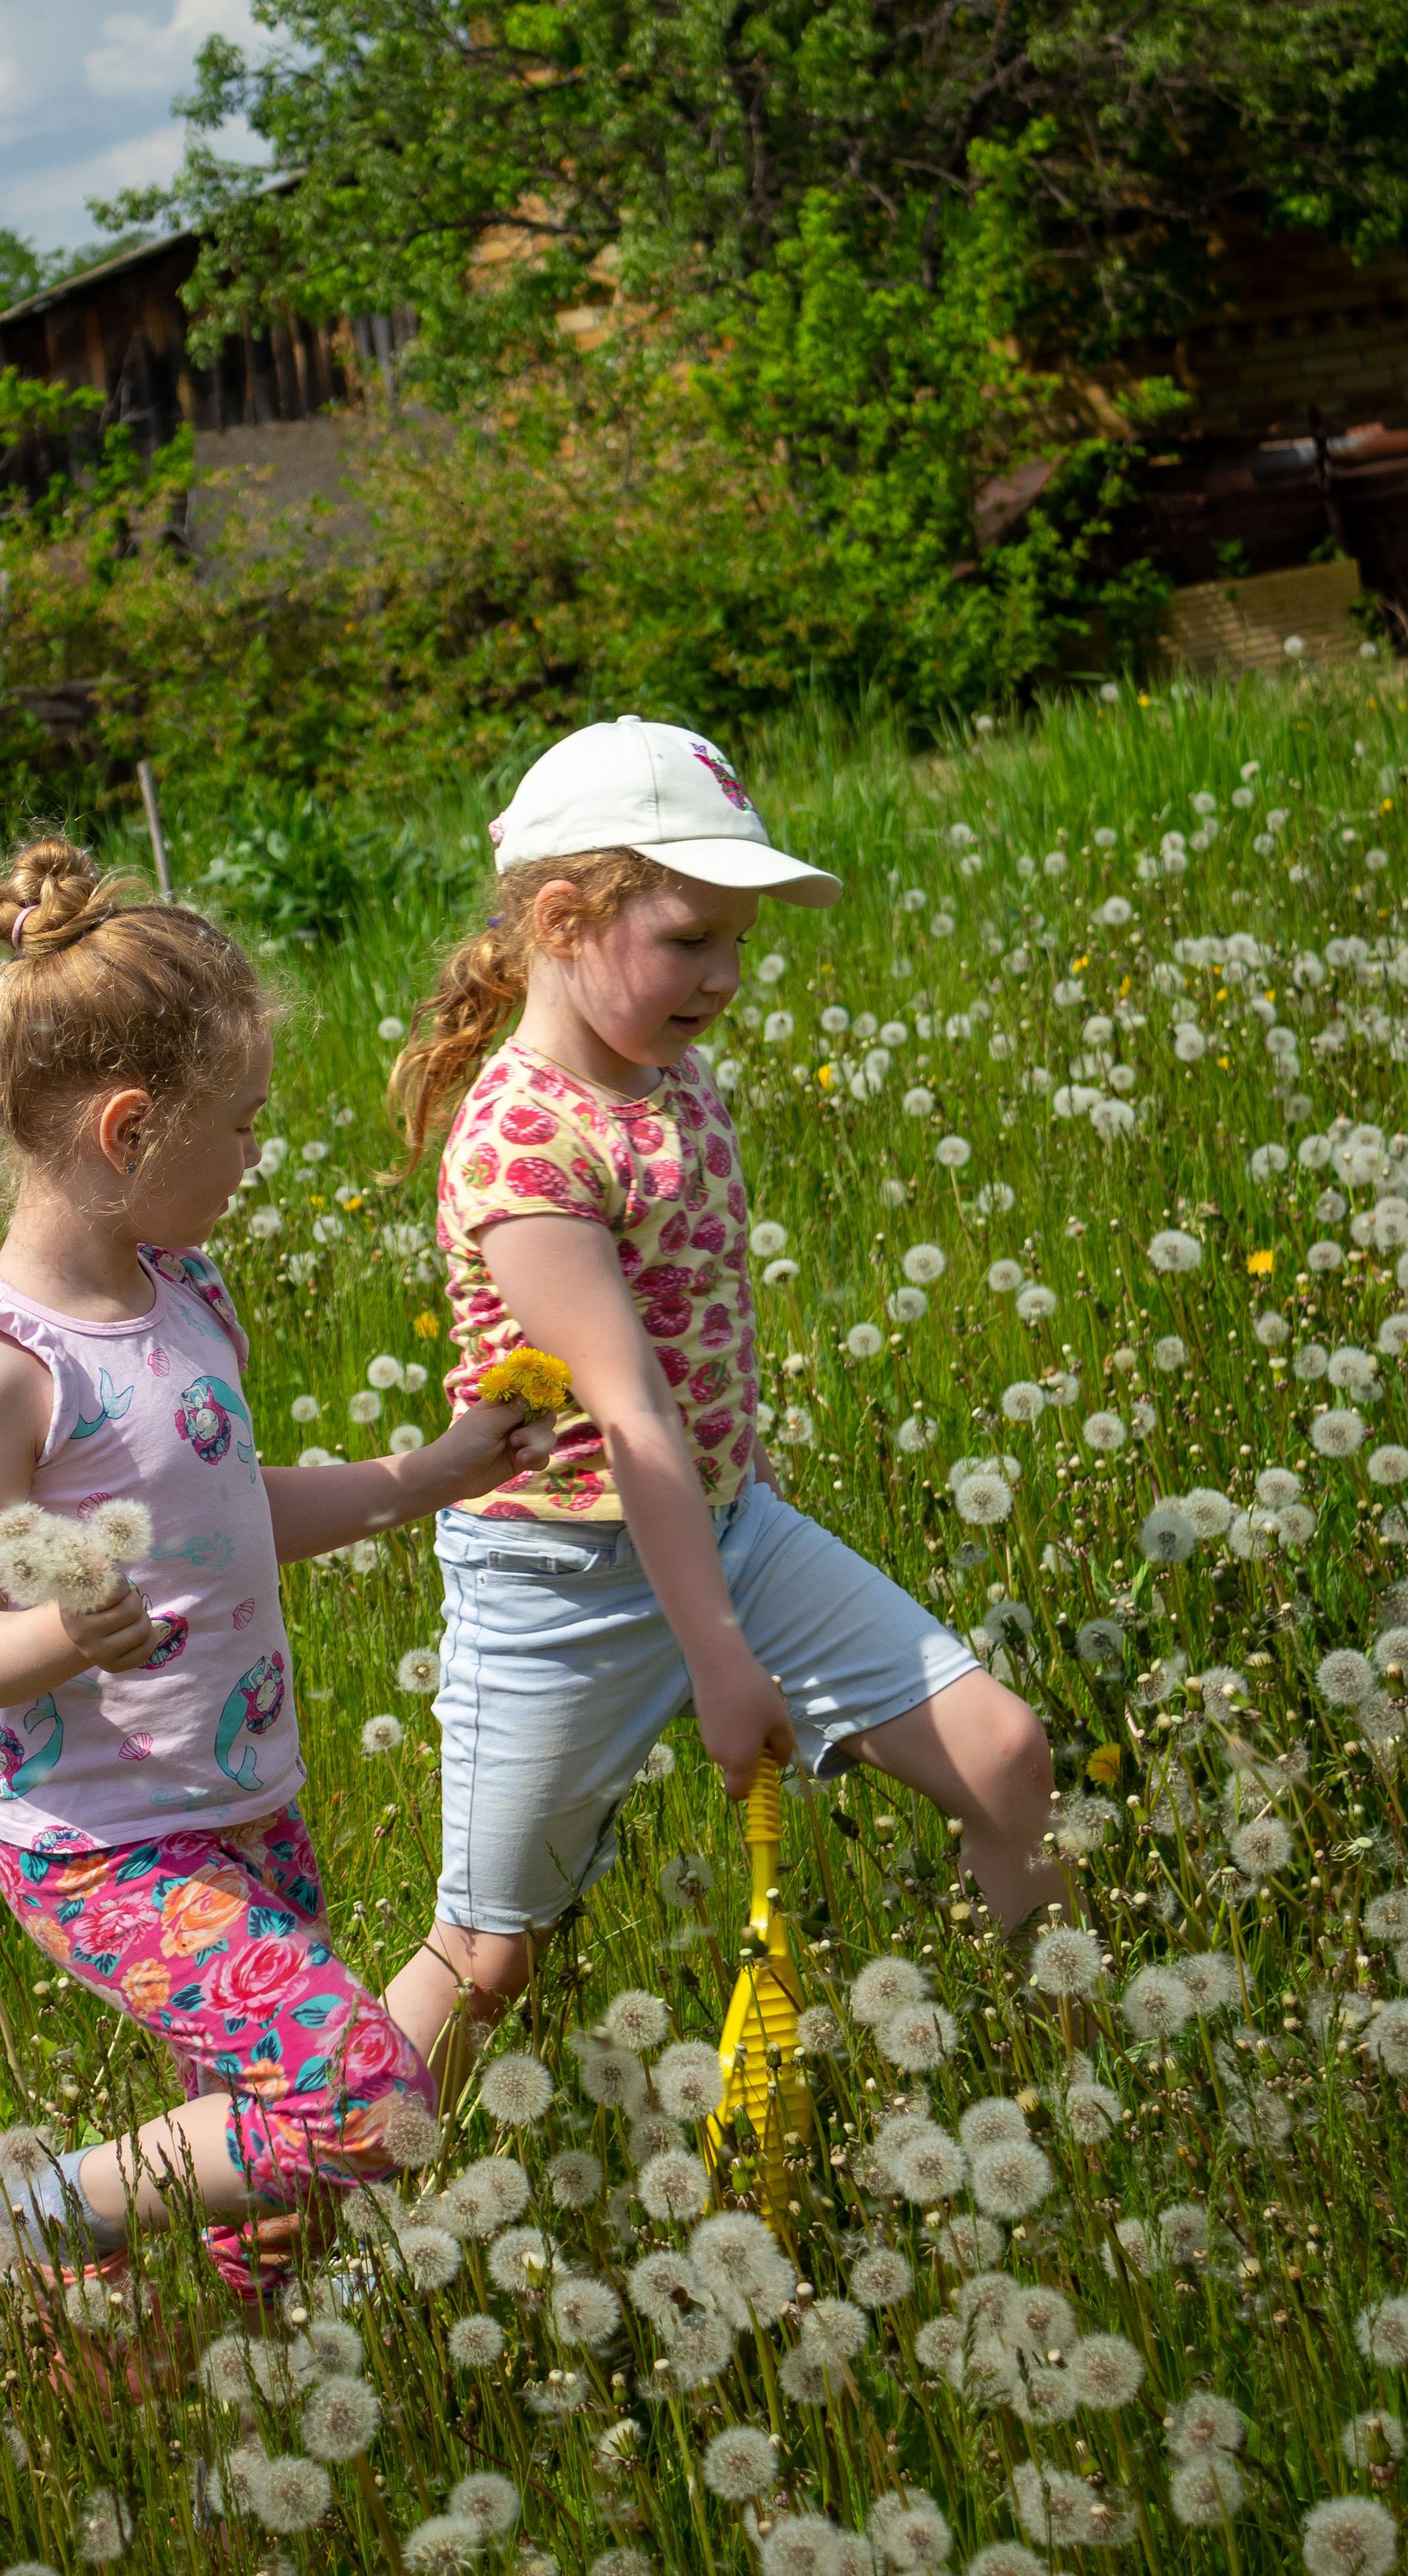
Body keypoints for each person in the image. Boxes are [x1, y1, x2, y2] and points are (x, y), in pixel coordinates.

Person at [0, 838, 553, 2300]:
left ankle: (242, 2362)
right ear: (133, 1131)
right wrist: (66, 1636)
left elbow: (224, 1506)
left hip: (249, 1802)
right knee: (375, 2103)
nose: (257, 1159)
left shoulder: (182, 1288)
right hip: (104, 1848)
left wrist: (430, 1476)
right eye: (244, 1127)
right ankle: (35, 2213)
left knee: (278, 2155)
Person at [379, 716, 1067, 2079]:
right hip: (557, 1581)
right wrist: (718, 1658)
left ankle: (1088, 2069)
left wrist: (724, 1608)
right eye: (694, 939)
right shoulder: (523, 1140)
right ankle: (284, 2197)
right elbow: (631, 1417)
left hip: (729, 1532)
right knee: (490, 1957)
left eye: (741, 942)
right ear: (564, 919)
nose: (728, 977)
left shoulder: (665, 1071)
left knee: (1005, 1755)